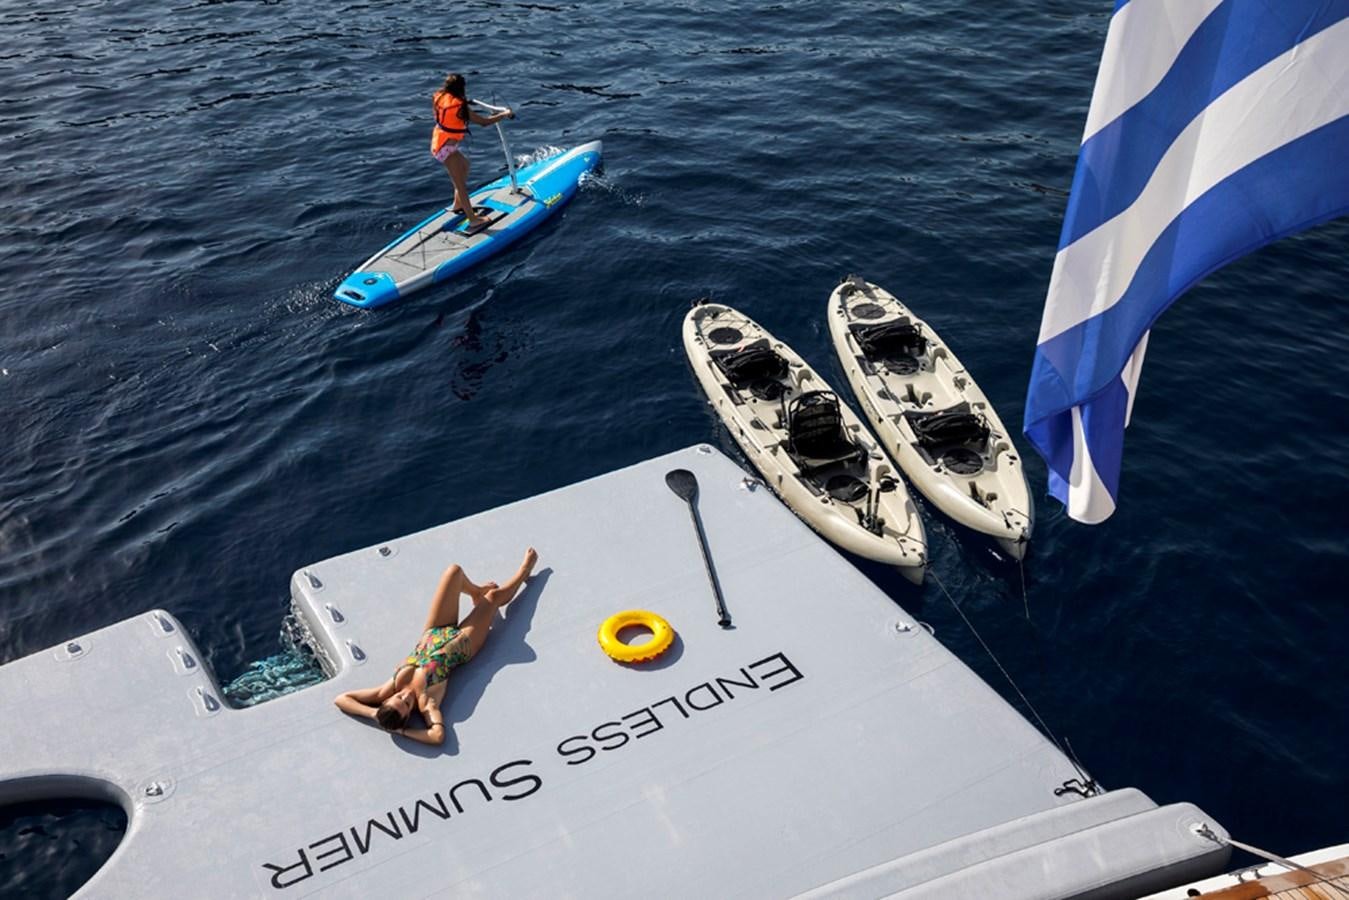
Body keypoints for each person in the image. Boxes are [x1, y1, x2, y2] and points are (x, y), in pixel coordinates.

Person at [334, 547, 538, 745]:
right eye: (406, 704)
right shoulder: (426, 703)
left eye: (397, 698)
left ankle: (476, 592)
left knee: (454, 572)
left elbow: (342, 699)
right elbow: (437, 736)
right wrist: (402, 731)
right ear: (407, 716)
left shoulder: (388, 689)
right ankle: (524, 572)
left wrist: (374, 714)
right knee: (493, 598)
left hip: (434, 630)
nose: (405, 695)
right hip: (464, 642)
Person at [431, 73, 514, 232]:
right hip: (445, 149)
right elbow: (484, 122)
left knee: (465, 165)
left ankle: (458, 204)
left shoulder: (440, 97)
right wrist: (504, 114)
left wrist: (464, 102)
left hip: (441, 142)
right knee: (461, 185)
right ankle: (473, 220)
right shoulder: (460, 107)